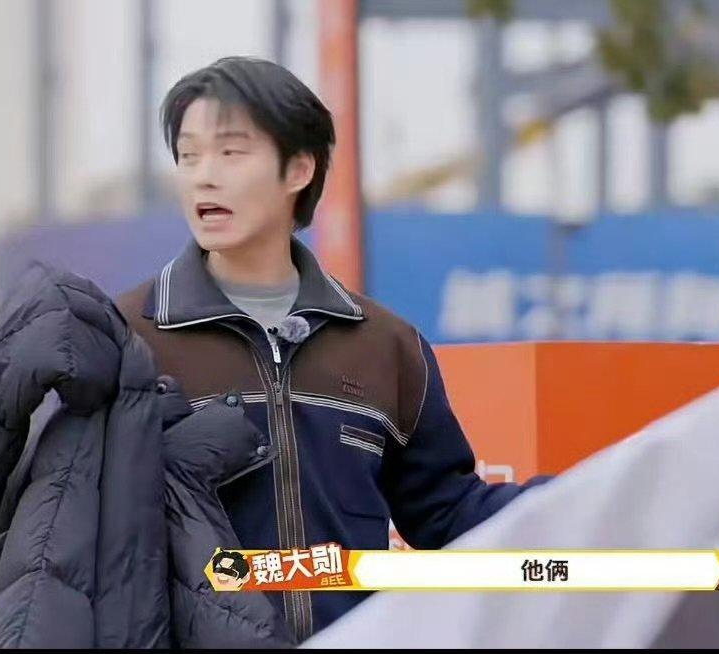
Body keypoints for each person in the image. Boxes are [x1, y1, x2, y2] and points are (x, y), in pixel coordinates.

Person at [113, 56, 549, 641]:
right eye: (189, 157)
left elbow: (447, 514)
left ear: (299, 168)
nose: (203, 177)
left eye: (230, 152)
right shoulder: (128, 338)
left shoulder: (385, 345)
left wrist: (589, 493)